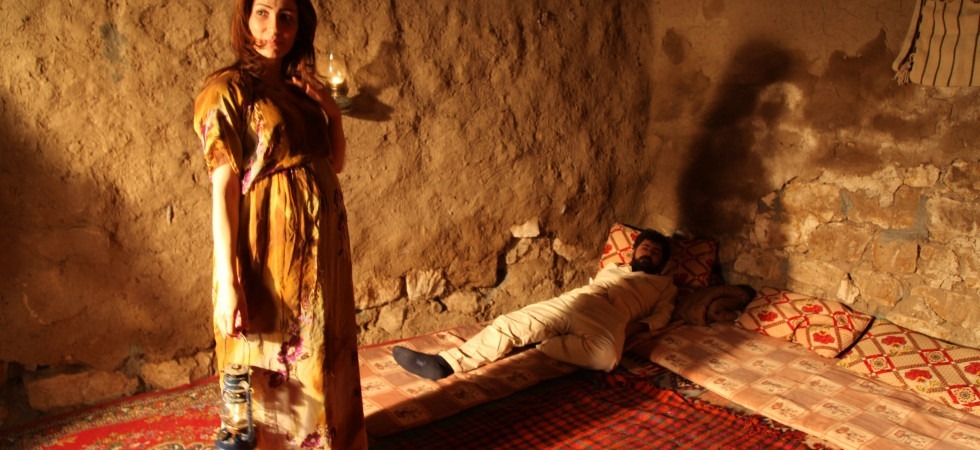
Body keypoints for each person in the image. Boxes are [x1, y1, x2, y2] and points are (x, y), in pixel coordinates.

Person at [192, 0, 366, 448]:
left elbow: (334, 162)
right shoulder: (227, 90)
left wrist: (332, 113)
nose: (274, 28)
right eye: (263, 13)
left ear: (300, 24)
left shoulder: (298, 89)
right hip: (271, 250)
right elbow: (223, 189)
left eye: (286, 16)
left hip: (323, 251)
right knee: (275, 358)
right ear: (245, 19)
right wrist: (228, 281)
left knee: (322, 347)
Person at [393, 229, 678, 380]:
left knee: (608, 358)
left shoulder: (664, 285)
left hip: (612, 317)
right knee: (512, 323)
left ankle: (546, 343)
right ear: (634, 252)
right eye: (645, 247)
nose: (649, 252)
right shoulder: (613, 268)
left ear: (662, 261)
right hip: (580, 299)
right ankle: (444, 364)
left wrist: (629, 328)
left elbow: (662, 316)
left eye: (655, 251)